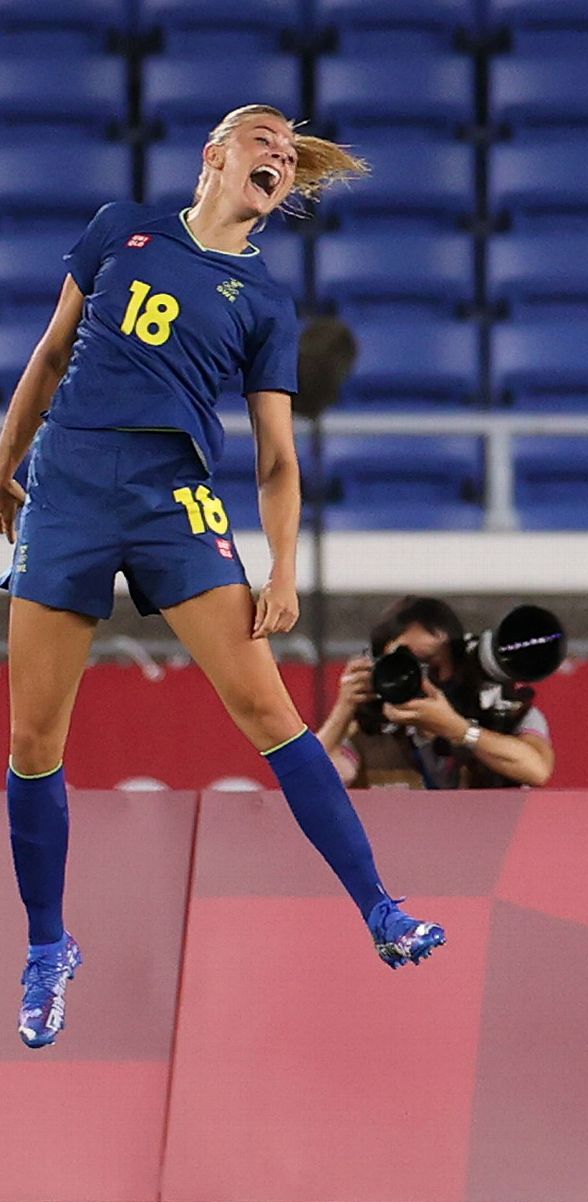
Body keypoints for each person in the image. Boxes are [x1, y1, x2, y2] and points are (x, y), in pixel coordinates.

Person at [0, 105, 444, 1051]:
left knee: (268, 710)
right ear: (216, 155)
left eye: (288, 152)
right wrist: (3, 463)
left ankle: (379, 908)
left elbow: (277, 458)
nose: (278, 156)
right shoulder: (120, 227)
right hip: (71, 482)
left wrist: (283, 564)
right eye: (263, 142)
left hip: (175, 499)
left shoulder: (266, 303)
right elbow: (48, 357)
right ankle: (48, 946)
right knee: (34, 736)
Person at [317, 595, 556, 790]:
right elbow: (310, 780)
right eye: (403, 663)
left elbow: (536, 770)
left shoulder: (504, 713)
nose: (418, 677)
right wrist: (344, 708)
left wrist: (458, 730)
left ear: (455, 664)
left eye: (430, 663)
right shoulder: (366, 729)